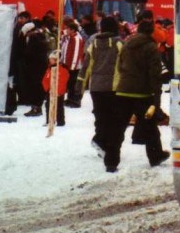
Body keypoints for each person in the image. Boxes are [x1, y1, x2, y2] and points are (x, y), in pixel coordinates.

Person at [111, 16, 170, 171]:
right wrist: (156, 99)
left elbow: (119, 66)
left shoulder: (127, 44)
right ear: (151, 33)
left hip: (123, 91)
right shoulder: (151, 47)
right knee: (150, 127)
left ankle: (111, 161)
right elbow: (155, 74)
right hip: (143, 94)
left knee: (117, 128)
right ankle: (155, 156)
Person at [80, 15, 123, 160]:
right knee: (112, 118)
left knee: (100, 116)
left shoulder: (93, 45)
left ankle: (101, 143)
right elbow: (124, 64)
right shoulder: (119, 44)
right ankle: (101, 142)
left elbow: (86, 67)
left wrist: (79, 86)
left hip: (96, 87)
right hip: (113, 86)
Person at [60, 16, 86, 108]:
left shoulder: (76, 39)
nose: (66, 30)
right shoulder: (69, 38)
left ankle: (75, 100)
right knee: (70, 83)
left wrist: (72, 65)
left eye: (67, 29)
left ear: (72, 30)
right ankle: (70, 98)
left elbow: (76, 53)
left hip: (74, 66)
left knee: (74, 83)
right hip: (69, 64)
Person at [40, 50, 69, 126]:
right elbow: (45, 80)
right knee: (48, 106)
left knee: (59, 107)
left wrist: (58, 91)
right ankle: (49, 120)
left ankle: (60, 121)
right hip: (50, 91)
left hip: (59, 92)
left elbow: (63, 81)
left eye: (52, 59)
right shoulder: (49, 69)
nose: (50, 61)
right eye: (50, 59)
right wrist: (47, 89)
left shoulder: (62, 70)